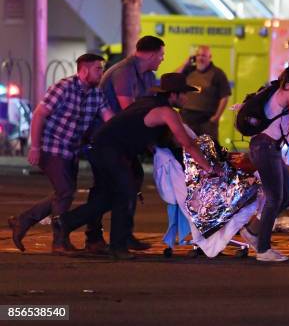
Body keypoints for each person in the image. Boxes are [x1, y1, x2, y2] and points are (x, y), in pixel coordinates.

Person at [54, 73, 214, 259]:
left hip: (101, 148)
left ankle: (66, 222)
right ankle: (118, 246)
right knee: (126, 193)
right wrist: (209, 168)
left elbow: (140, 130)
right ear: (174, 94)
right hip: (110, 150)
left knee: (109, 197)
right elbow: (187, 143)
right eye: (184, 94)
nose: (187, 98)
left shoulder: (147, 103)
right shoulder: (166, 112)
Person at [8, 54, 113, 253]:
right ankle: (59, 242)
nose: (101, 72)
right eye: (98, 69)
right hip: (52, 148)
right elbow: (39, 114)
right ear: (84, 70)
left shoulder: (96, 94)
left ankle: (22, 221)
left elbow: (110, 118)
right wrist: (35, 147)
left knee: (63, 194)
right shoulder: (63, 87)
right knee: (65, 192)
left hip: (72, 151)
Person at [84, 36, 166, 253]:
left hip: (123, 141)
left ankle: (121, 235)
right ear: (150, 54)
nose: (162, 59)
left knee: (131, 182)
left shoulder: (148, 76)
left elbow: (150, 104)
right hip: (106, 140)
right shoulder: (124, 72)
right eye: (161, 55)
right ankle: (91, 234)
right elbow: (130, 110)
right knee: (110, 188)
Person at [240, 54, 289, 262]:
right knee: (275, 198)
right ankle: (263, 249)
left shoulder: (282, 86)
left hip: (268, 147)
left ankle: (253, 231)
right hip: (265, 146)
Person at [175, 45, 231, 142]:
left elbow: (225, 96)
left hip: (207, 121)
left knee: (210, 151)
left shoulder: (217, 73)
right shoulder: (188, 70)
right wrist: (186, 63)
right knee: (185, 149)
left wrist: (217, 117)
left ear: (210, 57)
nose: (200, 58)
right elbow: (173, 78)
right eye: (198, 55)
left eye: (204, 56)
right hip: (186, 118)